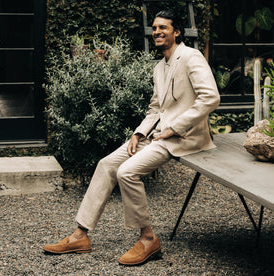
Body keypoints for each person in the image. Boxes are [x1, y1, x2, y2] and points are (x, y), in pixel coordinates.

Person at [44, 10, 220, 266]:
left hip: (183, 137)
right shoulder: (160, 67)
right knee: (106, 165)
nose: (157, 32)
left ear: (177, 32)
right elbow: (156, 108)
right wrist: (139, 133)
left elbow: (210, 98)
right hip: (156, 134)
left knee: (126, 172)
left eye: (164, 27)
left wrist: (175, 127)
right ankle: (80, 235)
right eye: (155, 28)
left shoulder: (191, 58)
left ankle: (148, 239)